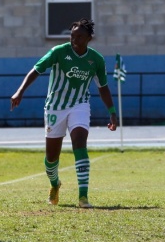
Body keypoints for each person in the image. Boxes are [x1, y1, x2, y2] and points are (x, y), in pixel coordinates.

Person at [10, 18, 119, 208]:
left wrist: (112, 112)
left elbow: (103, 87)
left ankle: (83, 197)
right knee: (52, 157)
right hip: (55, 106)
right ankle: (55, 184)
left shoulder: (96, 60)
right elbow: (36, 70)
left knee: (79, 141)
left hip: (80, 105)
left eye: (79, 36)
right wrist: (20, 91)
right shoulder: (58, 52)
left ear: (89, 39)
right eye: (72, 35)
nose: (74, 39)